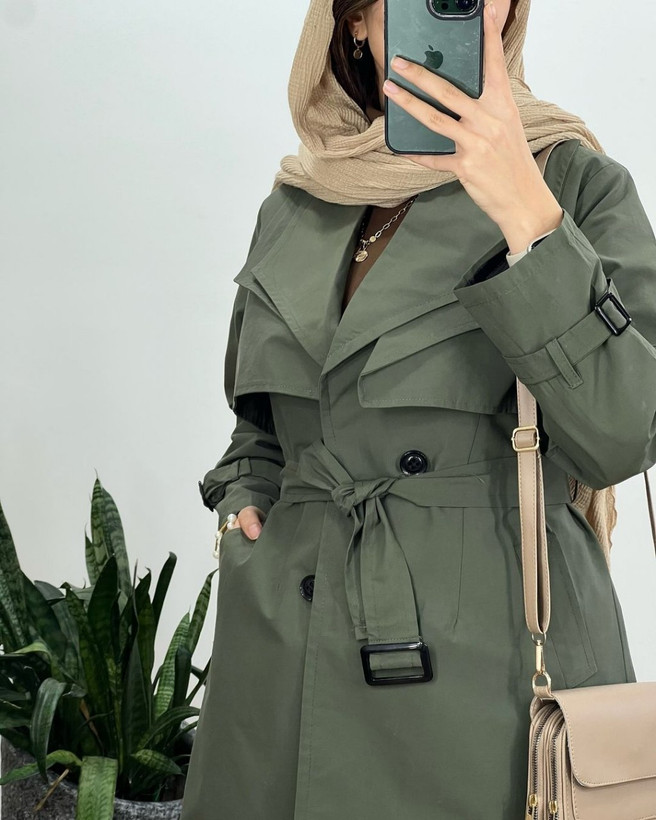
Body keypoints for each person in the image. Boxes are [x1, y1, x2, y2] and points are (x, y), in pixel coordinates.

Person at [180, 0, 656, 817]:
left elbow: (627, 430)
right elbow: (261, 426)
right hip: (280, 676)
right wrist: (242, 501)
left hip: (486, 684)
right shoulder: (298, 201)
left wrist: (525, 210)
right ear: (356, 22)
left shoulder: (569, 178)